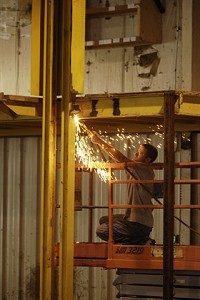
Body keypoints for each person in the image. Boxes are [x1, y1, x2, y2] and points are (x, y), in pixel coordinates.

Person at [89, 130, 158, 245]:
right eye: (136, 152)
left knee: (101, 230)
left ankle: (141, 240)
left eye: (139, 153)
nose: (135, 154)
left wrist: (100, 142)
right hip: (133, 219)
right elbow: (118, 159)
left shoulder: (144, 169)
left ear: (147, 160)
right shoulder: (135, 169)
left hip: (139, 224)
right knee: (104, 220)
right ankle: (138, 238)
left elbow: (120, 158)